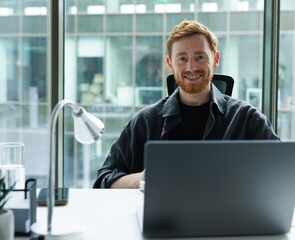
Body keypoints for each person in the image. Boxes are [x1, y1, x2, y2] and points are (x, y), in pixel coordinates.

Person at [93, 20, 279, 189]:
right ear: (170, 64)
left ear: (215, 59)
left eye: (200, 57)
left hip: (227, 223)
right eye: (182, 58)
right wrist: (141, 179)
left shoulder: (246, 118)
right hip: (160, 223)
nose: (191, 67)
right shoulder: (145, 122)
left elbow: (282, 171)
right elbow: (103, 181)